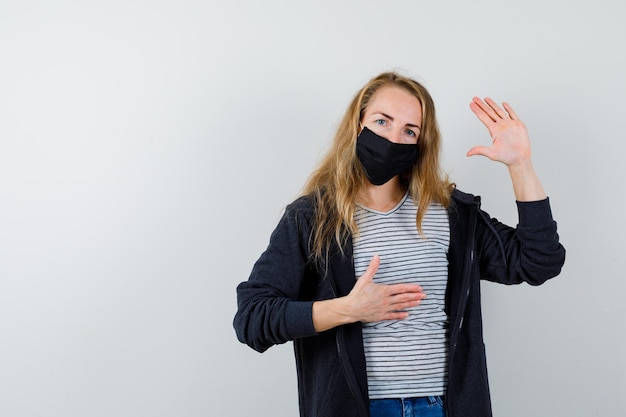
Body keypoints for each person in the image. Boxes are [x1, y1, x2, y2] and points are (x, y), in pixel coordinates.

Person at [233, 71, 565, 417]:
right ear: (357, 125)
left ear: (421, 143)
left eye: (410, 130)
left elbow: (539, 261)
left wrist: (520, 165)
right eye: (382, 121)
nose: (394, 137)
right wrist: (347, 309)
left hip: (441, 408)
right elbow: (253, 317)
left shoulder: (452, 213)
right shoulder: (311, 217)